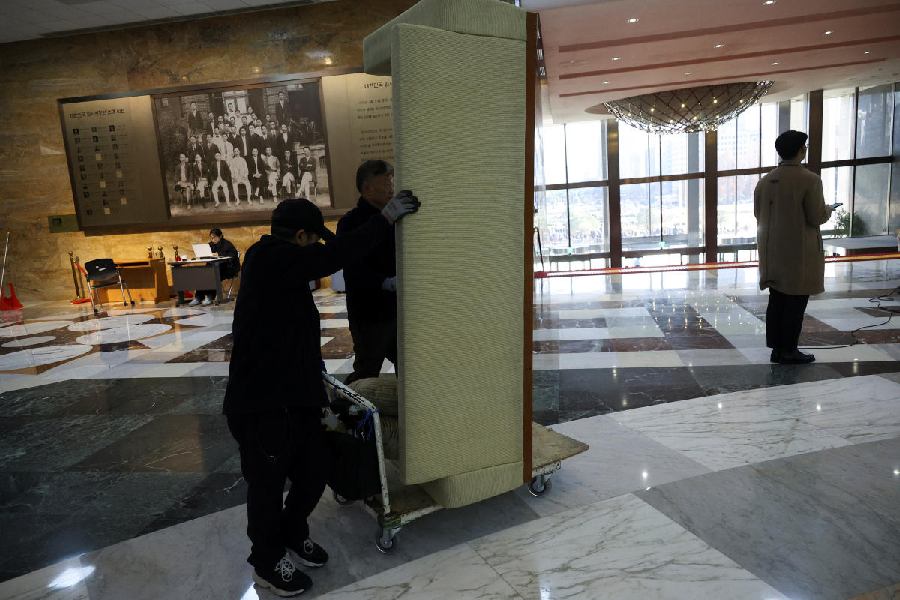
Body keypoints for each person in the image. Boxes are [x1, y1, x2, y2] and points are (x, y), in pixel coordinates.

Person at [223, 194, 420, 596]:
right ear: (300, 237)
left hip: (298, 395)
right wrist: (383, 219)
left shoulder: (286, 271)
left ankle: (294, 533)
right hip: (262, 403)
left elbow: (293, 331)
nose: (318, 252)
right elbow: (334, 257)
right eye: (315, 241)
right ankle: (266, 559)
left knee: (315, 470)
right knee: (267, 484)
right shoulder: (266, 258)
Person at [754, 129, 836, 365]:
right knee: (796, 301)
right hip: (798, 251)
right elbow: (815, 217)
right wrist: (828, 210)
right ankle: (789, 349)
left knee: (777, 300)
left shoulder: (765, 181)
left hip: (772, 251)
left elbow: (758, 214)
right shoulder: (810, 180)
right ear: (801, 150)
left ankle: (777, 348)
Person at [337, 160, 405, 384]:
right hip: (369, 313)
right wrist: (385, 282)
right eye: (386, 181)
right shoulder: (350, 222)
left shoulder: (399, 218)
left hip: (399, 309)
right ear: (367, 188)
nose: (391, 187)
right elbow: (353, 270)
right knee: (367, 370)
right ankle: (347, 412)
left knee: (407, 367)